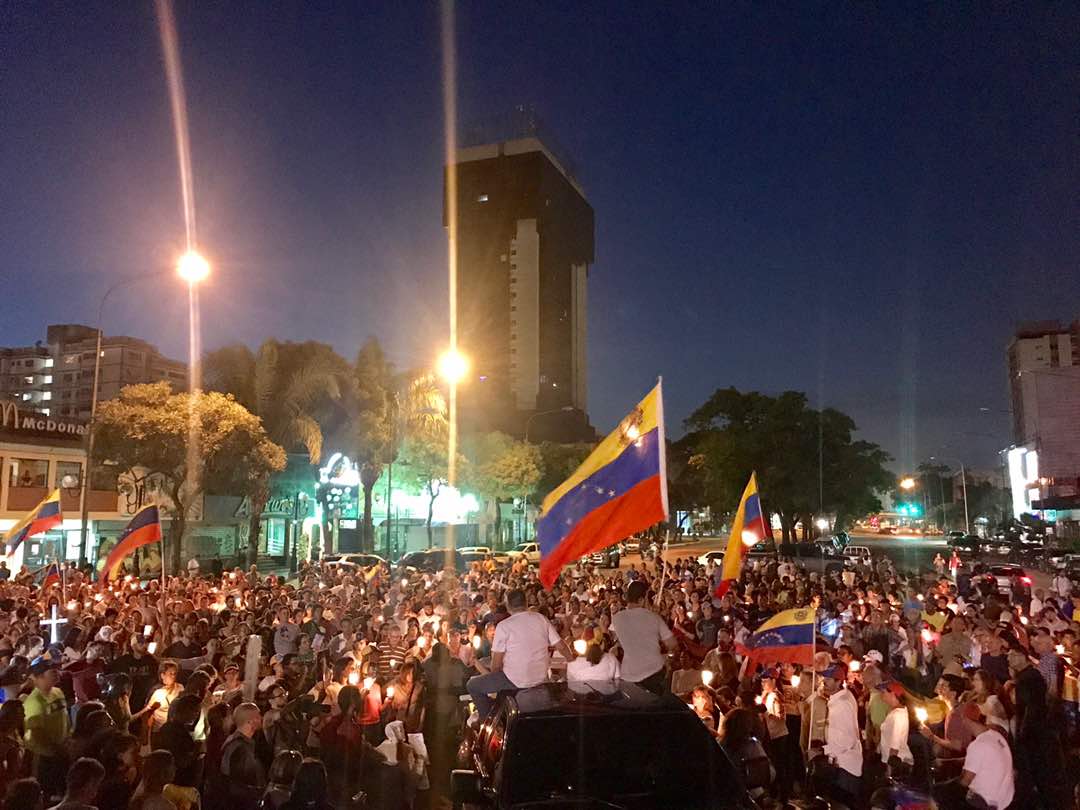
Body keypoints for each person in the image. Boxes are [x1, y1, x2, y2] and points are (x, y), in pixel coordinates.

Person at [466, 589, 571, 718]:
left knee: (473, 685)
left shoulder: (504, 626)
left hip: (513, 680)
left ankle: (490, 720)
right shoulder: (541, 619)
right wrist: (573, 661)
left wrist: (495, 675)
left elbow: (496, 665)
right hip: (540, 677)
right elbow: (561, 645)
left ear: (508, 605)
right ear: (526, 602)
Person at [611, 580, 678, 695]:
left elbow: (623, 639)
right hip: (654, 672)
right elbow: (672, 644)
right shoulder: (654, 617)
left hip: (628, 674)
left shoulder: (616, 618)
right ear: (642, 599)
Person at [23, 659, 69, 795]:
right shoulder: (34, 701)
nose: (57, 674)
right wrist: (54, 748)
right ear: (40, 676)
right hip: (43, 755)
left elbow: (64, 716)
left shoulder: (58, 692)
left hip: (60, 750)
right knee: (46, 790)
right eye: (53, 672)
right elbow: (35, 732)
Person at [818, 664, 861, 803]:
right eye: (824, 677)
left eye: (829, 679)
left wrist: (823, 750)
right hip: (841, 763)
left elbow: (847, 741)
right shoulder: (841, 698)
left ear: (838, 682)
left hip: (845, 766)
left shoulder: (842, 704)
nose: (824, 682)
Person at [217, 703, 266, 809]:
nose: (261, 718)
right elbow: (234, 783)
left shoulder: (241, 742)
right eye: (258, 716)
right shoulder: (239, 747)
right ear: (250, 721)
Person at [960, 713, 1014, 809]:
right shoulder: (996, 734)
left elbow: (965, 781)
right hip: (1006, 796)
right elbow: (985, 758)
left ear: (966, 720)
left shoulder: (977, 745)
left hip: (988, 802)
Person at [876, 681, 912, 778]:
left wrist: (890, 771)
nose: (881, 695)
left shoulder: (897, 715)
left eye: (883, 692)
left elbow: (894, 745)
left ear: (892, 694)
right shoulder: (897, 711)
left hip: (898, 764)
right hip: (893, 761)